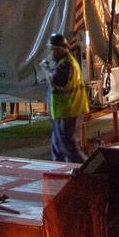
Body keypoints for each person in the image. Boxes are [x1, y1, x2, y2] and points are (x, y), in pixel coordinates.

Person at [44, 33, 89, 163]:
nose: (51, 53)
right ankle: (58, 172)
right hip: (62, 113)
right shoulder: (64, 62)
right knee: (57, 148)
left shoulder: (66, 64)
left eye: (52, 50)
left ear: (59, 49)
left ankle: (87, 173)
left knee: (69, 148)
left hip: (69, 112)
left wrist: (46, 69)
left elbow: (57, 80)